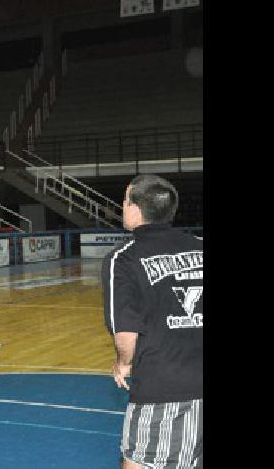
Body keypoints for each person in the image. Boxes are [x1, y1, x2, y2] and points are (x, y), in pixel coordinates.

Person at [102, 174, 202, 469]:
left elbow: (127, 332)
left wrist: (123, 363)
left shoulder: (123, 258)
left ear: (136, 208)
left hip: (163, 391)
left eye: (125, 199)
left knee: (138, 461)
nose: (122, 205)